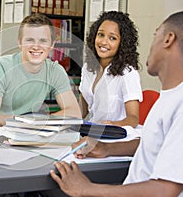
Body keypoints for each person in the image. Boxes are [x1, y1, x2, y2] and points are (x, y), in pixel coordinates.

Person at [50, 11, 183, 196]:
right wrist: (106, 149)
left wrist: (87, 189)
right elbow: (149, 144)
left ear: (168, 39)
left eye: (155, 35)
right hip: (101, 146)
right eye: (101, 34)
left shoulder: (179, 105)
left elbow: (167, 189)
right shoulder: (167, 98)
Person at [0, 13, 81, 127]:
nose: (36, 46)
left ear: (52, 44)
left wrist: (38, 122)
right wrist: (27, 122)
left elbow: (74, 113)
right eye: (30, 40)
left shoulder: (55, 71)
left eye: (43, 41)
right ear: (19, 43)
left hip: (30, 132)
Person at [79, 11, 142, 128]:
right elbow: (81, 111)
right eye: (101, 35)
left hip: (115, 137)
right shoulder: (88, 68)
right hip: (92, 133)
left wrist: (111, 125)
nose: (103, 42)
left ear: (122, 43)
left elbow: (133, 119)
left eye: (112, 38)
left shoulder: (127, 73)